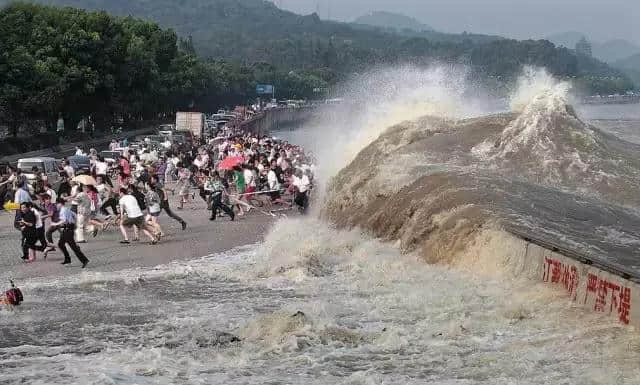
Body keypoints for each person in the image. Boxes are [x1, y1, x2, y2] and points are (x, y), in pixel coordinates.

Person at [50, 198, 89, 267]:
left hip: (68, 230)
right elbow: (74, 215)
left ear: (60, 203)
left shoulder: (63, 210)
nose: (56, 206)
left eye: (56, 204)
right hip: (67, 229)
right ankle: (67, 260)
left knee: (73, 247)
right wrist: (74, 224)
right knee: (60, 244)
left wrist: (55, 224)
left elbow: (64, 220)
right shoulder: (66, 209)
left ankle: (84, 260)